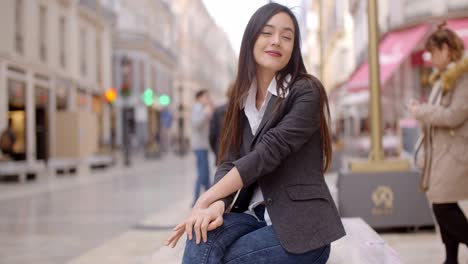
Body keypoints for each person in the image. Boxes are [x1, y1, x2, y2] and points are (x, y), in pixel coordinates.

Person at [165, 3, 345, 263]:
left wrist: (204, 199)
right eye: (267, 33)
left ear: (294, 48)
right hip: (252, 217)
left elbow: (268, 152)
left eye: (287, 36)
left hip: (303, 230)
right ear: (251, 38)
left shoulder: (306, 91)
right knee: (199, 233)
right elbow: (227, 159)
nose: (277, 41)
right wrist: (218, 204)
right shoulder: (240, 101)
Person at [409, 22, 468, 264]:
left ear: (446, 49)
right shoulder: (442, 78)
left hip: (454, 153)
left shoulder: (462, 78)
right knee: (440, 204)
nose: (430, 59)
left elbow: (454, 115)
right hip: (439, 154)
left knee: (443, 206)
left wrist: (421, 111)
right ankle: (450, 258)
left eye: (433, 52)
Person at [191, 89, 214, 206]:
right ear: (199, 98)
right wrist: (206, 114)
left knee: (206, 174)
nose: (207, 99)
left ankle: (207, 199)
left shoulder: (202, 108)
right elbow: (195, 124)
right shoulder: (198, 108)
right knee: (202, 174)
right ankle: (196, 201)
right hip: (199, 146)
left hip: (203, 146)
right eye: (205, 97)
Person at [209, 83, 234, 164]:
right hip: (240, 158)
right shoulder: (244, 111)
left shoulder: (218, 111)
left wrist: (217, 150)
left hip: (221, 153)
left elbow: (212, 135)